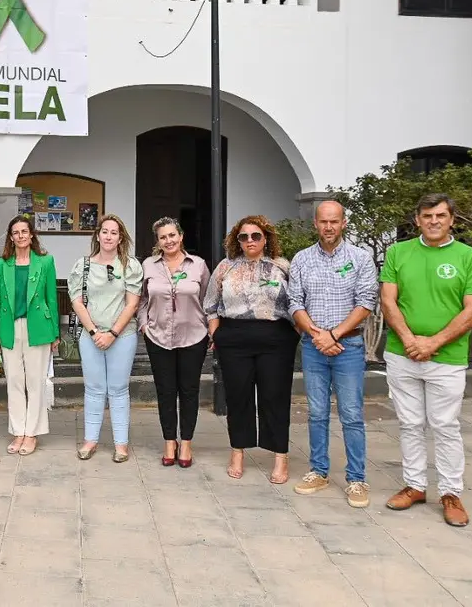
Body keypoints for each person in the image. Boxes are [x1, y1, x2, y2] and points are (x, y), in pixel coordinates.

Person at [380, 193, 472, 528]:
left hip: (448, 358)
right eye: (427, 216)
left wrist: (434, 342)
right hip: (402, 355)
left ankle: (450, 493)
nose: (433, 221)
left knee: (445, 426)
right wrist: (412, 341)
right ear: (417, 220)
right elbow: (388, 300)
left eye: (440, 216)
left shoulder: (469, 257)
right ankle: (415, 485)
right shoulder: (398, 252)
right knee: (410, 423)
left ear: (451, 219)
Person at [288, 201, 378, 508]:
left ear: (343, 223)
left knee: (351, 414)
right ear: (315, 223)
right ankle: (319, 471)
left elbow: (366, 302)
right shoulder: (301, 259)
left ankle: (356, 478)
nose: (329, 227)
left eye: (334, 221)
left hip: (348, 347)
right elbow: (294, 303)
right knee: (316, 413)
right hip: (314, 347)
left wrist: (334, 335)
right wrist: (317, 335)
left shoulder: (360, 258)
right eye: (324, 221)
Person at [203, 215, 298, 484]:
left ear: (266, 238)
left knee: (274, 397)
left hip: (275, 337)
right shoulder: (226, 267)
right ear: (237, 240)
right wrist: (216, 332)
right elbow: (210, 304)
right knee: (238, 397)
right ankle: (238, 452)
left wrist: (298, 332)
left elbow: (297, 301)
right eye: (243, 237)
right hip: (234, 337)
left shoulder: (281, 267)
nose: (250, 241)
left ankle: (280, 456)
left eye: (255, 236)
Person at [69, 214, 143, 463]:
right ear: (97, 235)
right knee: (94, 388)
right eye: (105, 231)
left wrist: (112, 333)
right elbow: (77, 301)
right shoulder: (83, 265)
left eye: (114, 232)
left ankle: (121, 444)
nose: (109, 236)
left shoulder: (131, 266)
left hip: (122, 336)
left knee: (119, 389)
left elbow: (132, 304)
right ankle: (90, 440)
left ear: (120, 237)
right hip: (91, 335)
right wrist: (93, 332)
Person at [138, 217, 210, 468]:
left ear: (181, 236)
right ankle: (170, 440)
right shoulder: (148, 265)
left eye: (172, 235)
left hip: (193, 336)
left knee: (189, 391)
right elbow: (142, 299)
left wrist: (210, 329)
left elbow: (207, 300)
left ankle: (187, 442)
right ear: (157, 241)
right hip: (158, 337)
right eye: (163, 237)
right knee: (165, 391)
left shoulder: (198, 265)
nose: (168, 241)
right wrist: (144, 325)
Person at [0, 215, 60, 456]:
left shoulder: (46, 262)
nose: (20, 236)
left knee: (35, 382)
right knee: (15, 381)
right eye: (15, 232)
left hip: (37, 327)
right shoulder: (2, 265)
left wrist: (56, 334)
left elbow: (52, 298)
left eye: (24, 231)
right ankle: (18, 431)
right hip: (10, 327)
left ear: (32, 235)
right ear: (11, 236)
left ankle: (32, 434)